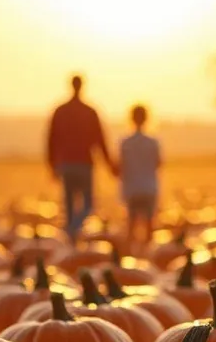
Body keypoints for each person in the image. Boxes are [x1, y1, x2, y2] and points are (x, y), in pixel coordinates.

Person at [46, 75, 116, 244]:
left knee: (69, 204)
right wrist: (109, 164)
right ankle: (72, 231)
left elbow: (51, 140)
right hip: (84, 163)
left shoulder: (61, 111)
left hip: (66, 164)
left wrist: (52, 165)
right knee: (88, 204)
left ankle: (71, 234)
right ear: (81, 86)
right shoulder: (89, 112)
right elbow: (100, 140)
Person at [118, 104, 161, 250]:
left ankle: (129, 254)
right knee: (149, 226)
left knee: (131, 225)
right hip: (149, 188)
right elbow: (158, 163)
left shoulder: (126, 143)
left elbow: (120, 166)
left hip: (132, 188)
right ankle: (148, 254)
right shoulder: (152, 142)